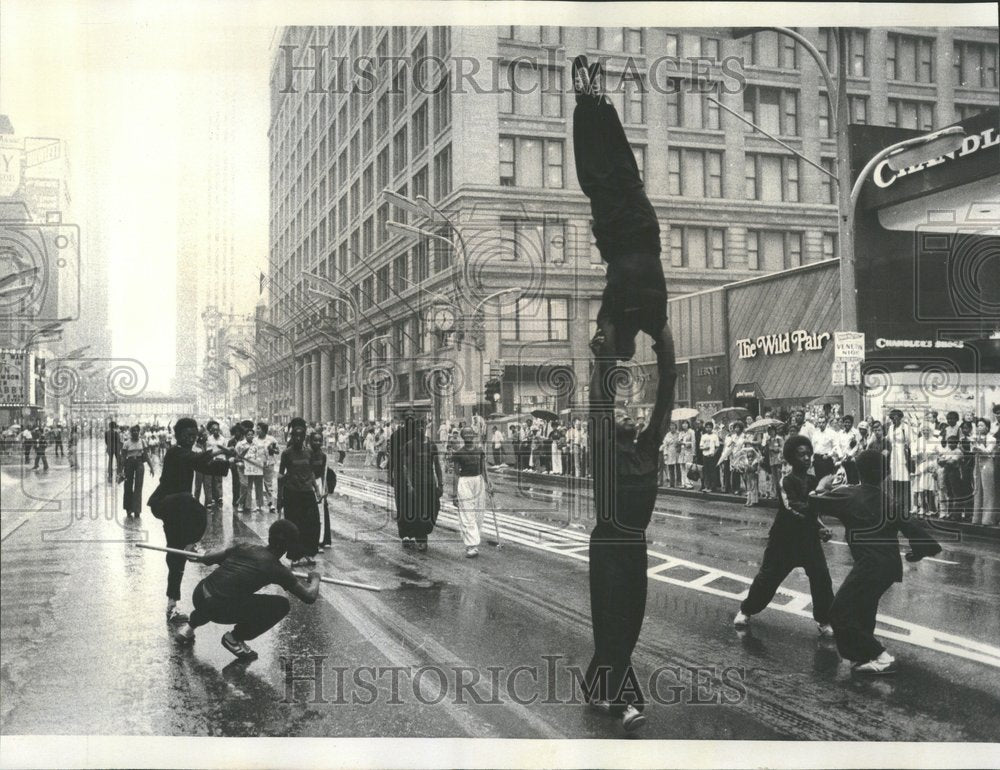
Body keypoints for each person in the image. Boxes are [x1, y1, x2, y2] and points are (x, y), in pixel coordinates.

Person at [583, 312, 676, 734]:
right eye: (618, 409)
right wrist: (604, 354)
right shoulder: (603, 448)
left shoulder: (650, 447)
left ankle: (594, 685)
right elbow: (600, 400)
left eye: (629, 411)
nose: (626, 411)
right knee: (612, 622)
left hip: (634, 545)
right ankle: (623, 703)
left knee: (630, 622)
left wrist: (663, 339)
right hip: (607, 545)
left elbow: (666, 394)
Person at [572, 57, 672, 435]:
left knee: (624, 169)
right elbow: (670, 368)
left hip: (644, 232)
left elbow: (668, 366)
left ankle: (600, 103)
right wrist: (604, 351)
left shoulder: (654, 318)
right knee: (597, 175)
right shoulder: (622, 314)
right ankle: (588, 103)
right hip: (618, 235)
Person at [807, 450, 941, 673]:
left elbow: (813, 502)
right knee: (864, 609)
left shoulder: (849, 494)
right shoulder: (889, 501)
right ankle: (864, 657)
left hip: (870, 564)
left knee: (840, 612)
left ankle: (880, 656)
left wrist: (822, 485)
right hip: (888, 566)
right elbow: (913, 528)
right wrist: (917, 552)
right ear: (886, 474)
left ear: (858, 470)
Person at [174, 519, 321, 659]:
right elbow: (309, 596)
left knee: (221, 589)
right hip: (217, 608)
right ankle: (234, 638)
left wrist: (206, 554)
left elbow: (208, 559)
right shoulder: (277, 569)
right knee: (282, 605)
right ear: (289, 545)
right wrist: (315, 578)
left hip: (200, 595)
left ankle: (188, 629)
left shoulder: (245, 547)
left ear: (270, 536)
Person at [734, 435, 835, 635]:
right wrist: (817, 511)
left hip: (808, 540)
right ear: (791, 457)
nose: (806, 458)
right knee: (768, 579)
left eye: (808, 454)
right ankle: (746, 610)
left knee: (821, 578)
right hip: (784, 539)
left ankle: (824, 621)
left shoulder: (813, 480)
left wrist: (821, 527)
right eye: (801, 454)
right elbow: (793, 508)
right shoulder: (785, 480)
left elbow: (814, 511)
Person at [147, 417, 232, 623]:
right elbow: (194, 459)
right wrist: (220, 451)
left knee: (176, 555)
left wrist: (230, 461)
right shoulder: (175, 452)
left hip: (179, 512)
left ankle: (172, 605)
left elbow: (207, 466)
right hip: (166, 503)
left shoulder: (189, 454)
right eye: (187, 435)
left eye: (194, 436)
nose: (191, 439)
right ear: (178, 436)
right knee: (196, 506)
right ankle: (191, 544)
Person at [395, 416, 443, 551]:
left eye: (423, 427)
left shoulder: (432, 445)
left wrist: (441, 484)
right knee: (419, 512)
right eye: (418, 427)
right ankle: (421, 538)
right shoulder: (410, 445)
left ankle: (423, 533)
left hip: (430, 484)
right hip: (417, 485)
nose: (421, 430)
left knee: (433, 509)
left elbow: (437, 465)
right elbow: (406, 467)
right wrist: (409, 485)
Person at [278, 418, 321, 566]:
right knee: (294, 525)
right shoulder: (286, 453)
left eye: (300, 436)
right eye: (294, 436)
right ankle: (295, 556)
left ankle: (309, 553)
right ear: (291, 436)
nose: (297, 438)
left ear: (304, 437)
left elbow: (312, 474)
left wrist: (318, 490)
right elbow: (280, 476)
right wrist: (279, 498)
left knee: (312, 524)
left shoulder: (309, 453)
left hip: (307, 493)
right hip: (292, 493)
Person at [451, 427, 494, 558]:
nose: (469, 436)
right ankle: (471, 545)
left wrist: (489, 483)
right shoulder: (459, 453)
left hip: (478, 481)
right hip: (464, 482)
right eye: (466, 434)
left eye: (471, 433)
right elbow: (456, 474)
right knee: (467, 513)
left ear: (474, 436)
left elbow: (483, 469)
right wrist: (454, 494)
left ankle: (474, 540)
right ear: (462, 437)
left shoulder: (480, 451)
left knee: (479, 513)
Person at [308, 431, 337, 552]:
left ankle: (323, 539)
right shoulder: (307, 454)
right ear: (310, 441)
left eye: (320, 440)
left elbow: (325, 472)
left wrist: (325, 488)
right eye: (315, 440)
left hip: (320, 483)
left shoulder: (323, 455)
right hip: (309, 483)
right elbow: (309, 471)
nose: (318, 443)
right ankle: (311, 541)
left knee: (323, 512)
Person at [884, 409, 912, 519]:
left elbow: (910, 442)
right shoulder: (890, 428)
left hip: (903, 456)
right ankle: (897, 506)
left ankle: (906, 507)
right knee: (895, 480)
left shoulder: (906, 427)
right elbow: (888, 440)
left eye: (895, 417)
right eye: (891, 418)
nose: (893, 420)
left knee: (904, 481)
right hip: (893, 456)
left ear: (900, 417)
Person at [121, 425, 154, 516]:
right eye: (133, 431)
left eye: (137, 431)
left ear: (139, 432)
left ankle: (137, 509)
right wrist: (121, 470)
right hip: (129, 463)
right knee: (128, 485)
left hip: (139, 463)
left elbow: (146, 456)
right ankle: (128, 508)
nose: (135, 432)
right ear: (131, 433)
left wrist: (151, 467)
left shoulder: (143, 442)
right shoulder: (126, 443)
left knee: (138, 486)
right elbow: (123, 458)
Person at [971, 418, 997, 526]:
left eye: (982, 425)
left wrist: (979, 447)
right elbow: (972, 450)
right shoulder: (976, 438)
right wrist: (975, 445)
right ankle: (976, 518)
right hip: (978, 462)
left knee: (988, 491)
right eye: (978, 426)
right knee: (977, 490)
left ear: (987, 427)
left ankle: (987, 519)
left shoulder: (992, 438)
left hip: (987, 463)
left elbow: (988, 451)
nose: (979, 428)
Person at [204, 421, 226, 508]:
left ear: (219, 430)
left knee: (219, 480)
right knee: (212, 479)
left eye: (217, 429)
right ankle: (213, 497)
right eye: (214, 430)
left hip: (220, 460)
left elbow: (225, 450)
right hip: (212, 460)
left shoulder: (223, 439)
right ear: (212, 431)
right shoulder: (209, 439)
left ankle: (219, 496)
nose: (216, 431)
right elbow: (208, 450)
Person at [699, 422, 721, 492]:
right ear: (705, 428)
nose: (708, 429)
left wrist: (714, 453)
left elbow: (717, 447)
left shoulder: (715, 436)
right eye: (707, 427)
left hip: (712, 456)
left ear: (712, 428)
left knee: (713, 471)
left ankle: (713, 487)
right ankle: (706, 486)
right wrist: (705, 448)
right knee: (706, 471)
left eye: (710, 427)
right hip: (705, 455)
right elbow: (700, 447)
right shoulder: (703, 436)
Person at [660, 422, 680, 487]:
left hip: (677, 452)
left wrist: (678, 444)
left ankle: (679, 482)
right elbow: (665, 444)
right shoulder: (668, 435)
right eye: (671, 426)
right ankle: (672, 483)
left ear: (675, 427)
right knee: (671, 468)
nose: (672, 427)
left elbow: (680, 442)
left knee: (678, 467)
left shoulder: (678, 434)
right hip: (670, 452)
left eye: (673, 426)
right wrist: (665, 453)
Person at [678, 420, 695, 488]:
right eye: (683, 424)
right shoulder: (681, 433)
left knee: (688, 467)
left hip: (689, 451)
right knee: (682, 467)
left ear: (688, 424)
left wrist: (686, 444)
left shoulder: (691, 432)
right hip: (682, 451)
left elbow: (693, 442)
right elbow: (679, 441)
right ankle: (683, 483)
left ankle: (689, 483)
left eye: (686, 423)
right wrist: (680, 442)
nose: (684, 425)